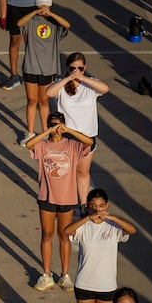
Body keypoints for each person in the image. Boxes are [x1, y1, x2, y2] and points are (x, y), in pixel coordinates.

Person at [25, 112, 93, 291]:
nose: (56, 130)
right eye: (52, 125)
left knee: (64, 235)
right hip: (46, 196)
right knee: (47, 234)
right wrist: (47, 131)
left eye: (58, 125)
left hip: (67, 197)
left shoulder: (72, 145)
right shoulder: (43, 145)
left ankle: (65, 275)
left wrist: (68, 130)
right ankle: (46, 274)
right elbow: (28, 144)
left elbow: (89, 142)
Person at [46, 52, 110, 210]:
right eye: (73, 68)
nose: (76, 70)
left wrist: (83, 78)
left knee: (82, 172)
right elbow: (49, 93)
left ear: (85, 68)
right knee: (64, 173)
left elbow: (105, 89)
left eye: (80, 68)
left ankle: (82, 205)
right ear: (67, 68)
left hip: (86, 137)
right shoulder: (62, 85)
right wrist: (68, 78)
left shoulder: (91, 84)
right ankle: (62, 202)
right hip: (67, 137)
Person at [16, 0, 69, 147]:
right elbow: (19, 24)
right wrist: (35, 12)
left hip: (47, 68)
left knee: (44, 101)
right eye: (41, 6)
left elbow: (67, 25)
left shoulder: (54, 23)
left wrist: (51, 15)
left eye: (46, 6)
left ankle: (46, 132)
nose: (44, 9)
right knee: (32, 100)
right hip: (31, 67)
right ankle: (31, 132)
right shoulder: (31, 21)